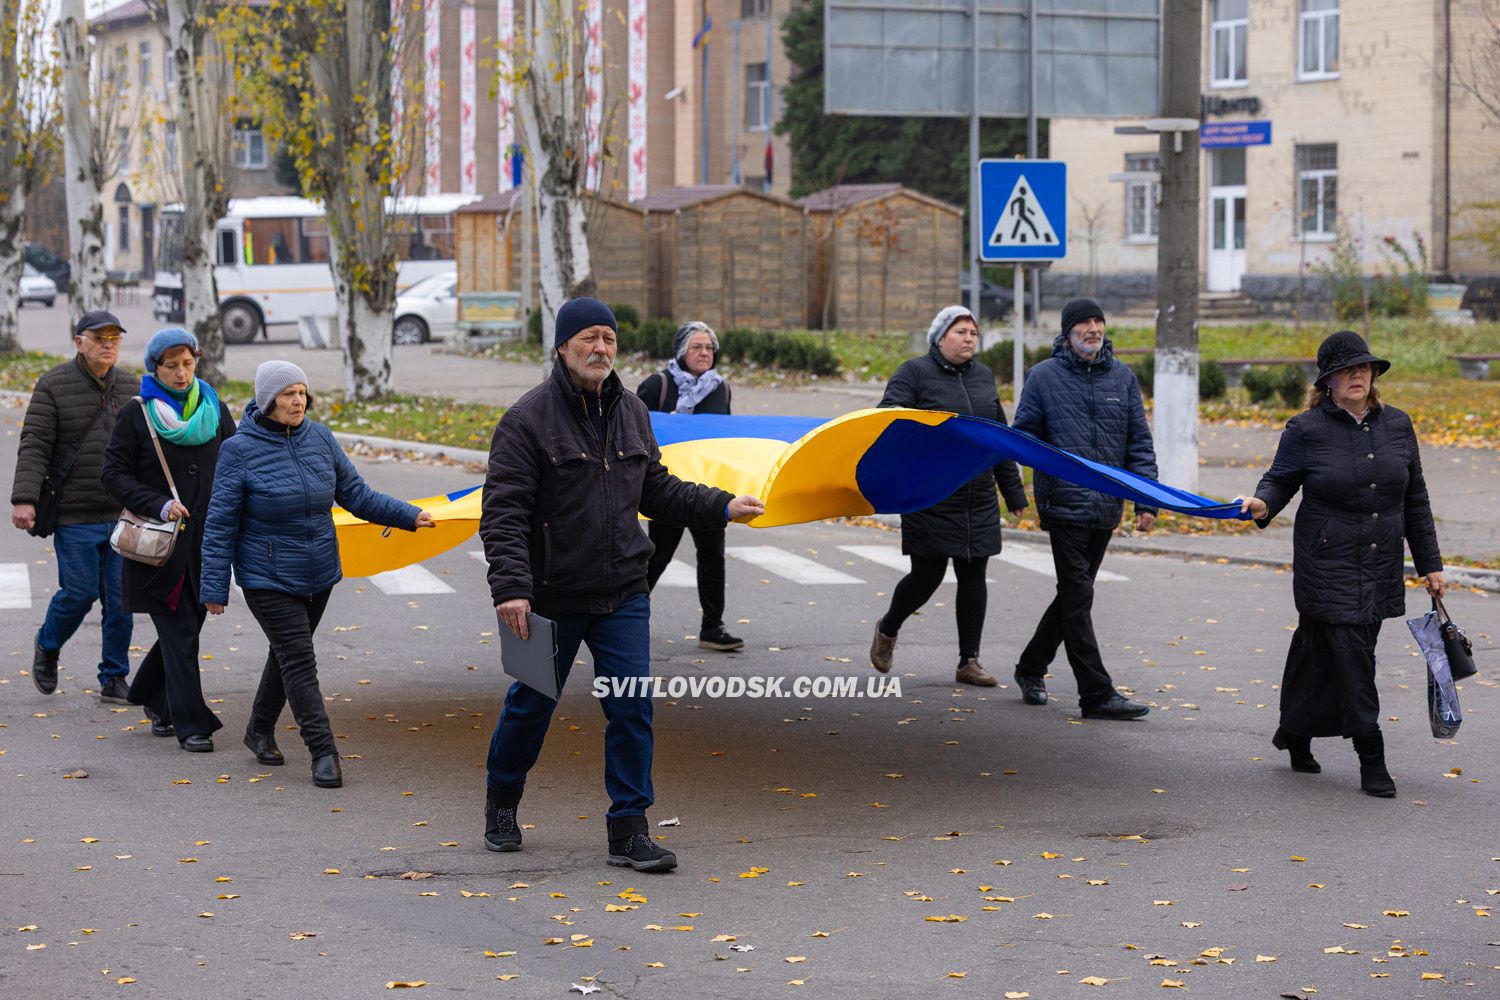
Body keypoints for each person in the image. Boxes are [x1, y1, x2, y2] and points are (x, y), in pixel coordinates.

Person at [481, 298, 764, 871]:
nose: (601, 349)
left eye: (608, 339)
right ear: (563, 347)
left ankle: (629, 830)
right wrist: (512, 588)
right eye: (589, 338)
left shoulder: (633, 411)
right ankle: (502, 801)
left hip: (623, 594)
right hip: (549, 596)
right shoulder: (526, 419)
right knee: (530, 706)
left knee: (630, 708)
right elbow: (503, 513)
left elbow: (657, 488)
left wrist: (722, 506)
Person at [200, 361, 436, 788]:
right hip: (266, 575)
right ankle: (323, 751)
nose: (298, 400)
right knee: (299, 660)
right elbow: (219, 523)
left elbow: (356, 494)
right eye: (288, 393)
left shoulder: (320, 438)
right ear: (267, 400)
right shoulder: (238, 450)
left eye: (302, 392)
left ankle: (258, 729)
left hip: (319, 571)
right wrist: (214, 586)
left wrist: (408, 514)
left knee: (288, 654)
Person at [1240, 331, 1444, 798]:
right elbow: (1279, 481)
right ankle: (1372, 755)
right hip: (1326, 561)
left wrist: (1430, 563)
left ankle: (1294, 731)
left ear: (1373, 375)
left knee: (1319, 653)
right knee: (1355, 662)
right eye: (1347, 370)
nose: (1357, 375)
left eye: (1364, 368)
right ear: (1327, 381)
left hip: (1380, 562)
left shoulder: (1398, 425)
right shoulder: (1306, 429)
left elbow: (1415, 497)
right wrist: (1261, 504)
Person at [868, 306, 1029, 685]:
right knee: (927, 574)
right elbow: (886, 418)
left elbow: (998, 438)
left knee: (975, 573)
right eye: (960, 331)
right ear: (940, 338)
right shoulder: (914, 374)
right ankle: (888, 628)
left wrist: (1014, 493)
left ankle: (968, 661)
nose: (969, 337)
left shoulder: (984, 378)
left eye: (973, 331)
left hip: (979, 495)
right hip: (932, 493)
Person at [1010, 297, 1155, 720]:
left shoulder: (1122, 379)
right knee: (1078, 596)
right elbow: (1024, 438)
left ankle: (1030, 667)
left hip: (1105, 507)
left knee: (1073, 595)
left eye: (1098, 322)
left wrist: (1145, 501)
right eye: (1084, 323)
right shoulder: (1043, 377)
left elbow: (1138, 444)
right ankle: (1096, 693)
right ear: (1068, 331)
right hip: (1064, 505)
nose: (1093, 329)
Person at [101, 329, 237, 752]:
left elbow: (237, 460)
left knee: (188, 628)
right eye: (171, 365)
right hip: (160, 548)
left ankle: (154, 699)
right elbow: (113, 475)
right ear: (155, 368)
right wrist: (159, 503)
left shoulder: (214, 408)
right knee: (179, 634)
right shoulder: (136, 414)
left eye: (188, 364)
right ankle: (191, 723)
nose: (181, 373)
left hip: (207, 544)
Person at [10, 310, 139, 703]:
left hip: (121, 514)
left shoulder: (133, 386)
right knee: (79, 593)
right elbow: (35, 445)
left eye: (114, 338)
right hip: (75, 513)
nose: (108, 345)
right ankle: (48, 644)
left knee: (120, 602)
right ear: (79, 342)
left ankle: (114, 677)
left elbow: (147, 447)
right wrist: (24, 498)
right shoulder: (53, 385)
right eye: (99, 338)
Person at [637, 321, 743, 651]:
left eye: (710, 348)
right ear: (682, 351)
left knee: (713, 557)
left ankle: (713, 627)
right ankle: (625, 620)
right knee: (657, 557)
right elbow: (633, 427)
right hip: (668, 490)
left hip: (709, 492)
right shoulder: (658, 385)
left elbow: (725, 437)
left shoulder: (720, 389)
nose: (704, 353)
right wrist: (667, 424)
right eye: (697, 347)